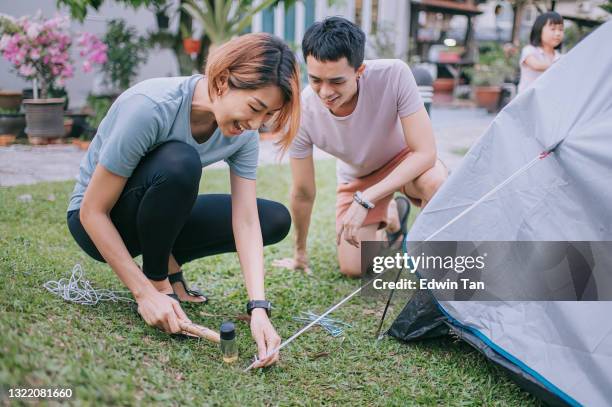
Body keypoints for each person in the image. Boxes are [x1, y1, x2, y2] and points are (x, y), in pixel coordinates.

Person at [66, 33, 301, 368]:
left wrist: (258, 309)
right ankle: (159, 277)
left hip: (154, 213)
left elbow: (246, 220)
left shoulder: (243, 134)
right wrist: (145, 294)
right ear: (222, 81)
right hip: (97, 222)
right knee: (181, 162)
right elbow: (92, 211)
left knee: (273, 219)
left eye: (268, 116)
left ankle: (164, 260)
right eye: (254, 108)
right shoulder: (151, 108)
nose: (256, 125)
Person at [273, 17, 447, 277]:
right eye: (316, 80)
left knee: (436, 183)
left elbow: (425, 153)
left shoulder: (394, 74)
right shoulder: (302, 112)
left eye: (337, 81)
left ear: (359, 70)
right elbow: (303, 192)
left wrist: (366, 200)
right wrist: (299, 253)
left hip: (404, 161)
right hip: (357, 178)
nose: (325, 92)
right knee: (354, 268)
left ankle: (436, 267)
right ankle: (392, 217)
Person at [518, 11, 564, 93]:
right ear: (539, 30)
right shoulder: (529, 50)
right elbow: (536, 65)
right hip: (526, 102)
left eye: (560, 29)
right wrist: (563, 66)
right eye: (553, 29)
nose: (558, 33)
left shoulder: (560, 57)